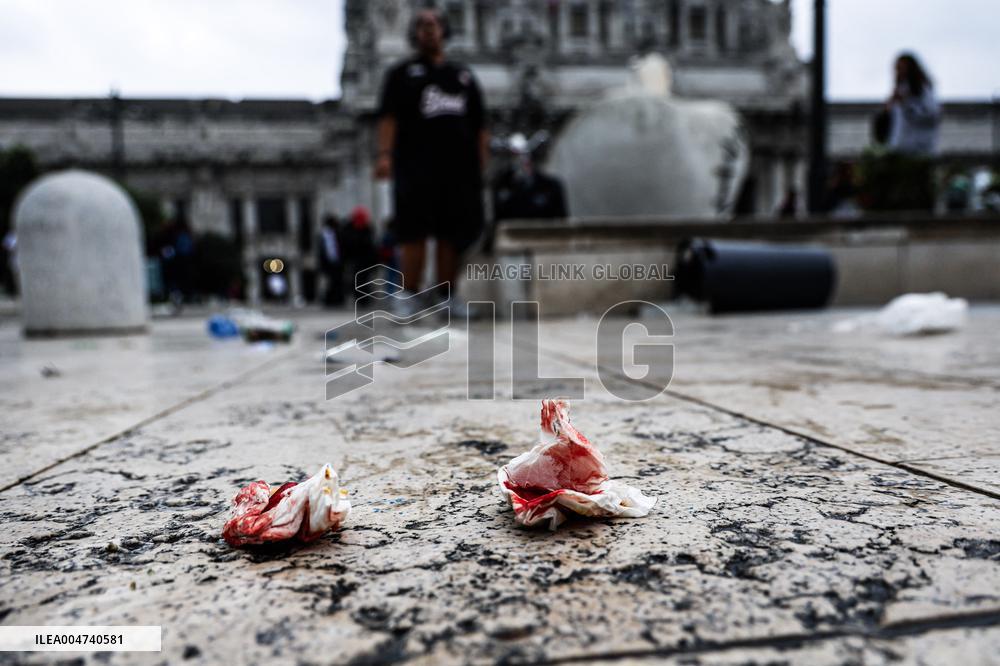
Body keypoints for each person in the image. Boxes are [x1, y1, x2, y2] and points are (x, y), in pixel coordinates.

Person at [374, 7, 488, 309]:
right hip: (415, 164)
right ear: (414, 34)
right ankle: (409, 292)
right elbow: (388, 118)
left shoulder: (462, 76)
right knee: (413, 230)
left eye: (434, 23)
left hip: (457, 168)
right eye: (421, 24)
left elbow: (480, 125)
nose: (428, 29)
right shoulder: (400, 74)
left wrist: (481, 163)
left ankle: (446, 295)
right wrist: (385, 154)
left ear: (444, 31)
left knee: (450, 233)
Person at [885, 53, 940, 155]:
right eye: (897, 68)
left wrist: (906, 104)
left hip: (920, 148)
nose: (899, 72)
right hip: (900, 147)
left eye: (902, 68)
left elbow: (931, 115)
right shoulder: (900, 89)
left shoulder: (922, 89)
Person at [318, 215, 344, 306]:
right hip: (329, 262)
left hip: (336, 261)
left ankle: (337, 299)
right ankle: (330, 299)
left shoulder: (336, 233)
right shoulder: (325, 234)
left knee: (336, 281)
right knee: (329, 282)